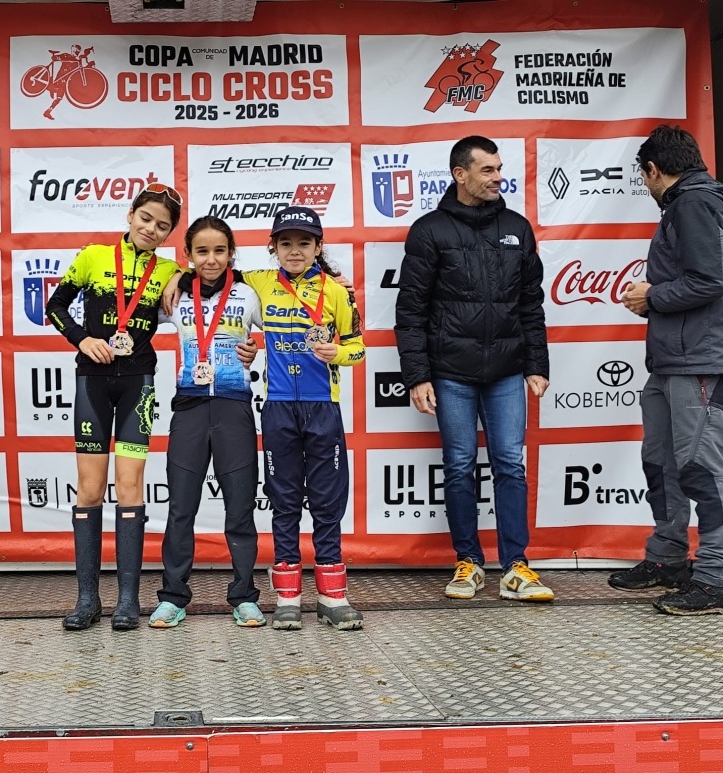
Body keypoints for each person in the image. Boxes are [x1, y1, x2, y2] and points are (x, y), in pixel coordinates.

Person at [395, 136, 553, 603]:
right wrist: (417, 376)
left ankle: (516, 567)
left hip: (506, 371)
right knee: (460, 466)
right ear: (460, 174)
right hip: (450, 373)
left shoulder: (517, 228)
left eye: (499, 168)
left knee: (510, 464)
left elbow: (531, 303)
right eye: (488, 170)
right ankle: (468, 562)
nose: (498, 177)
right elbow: (411, 311)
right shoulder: (429, 231)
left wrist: (536, 363)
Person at [46, 184, 184, 631]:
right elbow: (56, 306)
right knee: (89, 489)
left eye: (162, 226)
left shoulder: (169, 270)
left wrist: (180, 278)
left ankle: (127, 600)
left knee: (130, 486)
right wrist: (82, 339)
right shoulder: (94, 256)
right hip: (93, 381)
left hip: (137, 383)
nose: (151, 229)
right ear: (130, 214)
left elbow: (220, 279)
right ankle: (87, 599)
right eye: (145, 218)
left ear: (169, 234)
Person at [610, 124, 723, 616]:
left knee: (703, 468)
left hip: (699, 360)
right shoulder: (686, 203)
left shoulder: (695, 203)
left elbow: (711, 279)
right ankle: (668, 557)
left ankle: (716, 576)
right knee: (661, 462)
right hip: (672, 360)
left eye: (644, 176)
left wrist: (652, 295)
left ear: (653, 170)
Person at [244, 206, 365, 630]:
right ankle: (288, 597)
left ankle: (333, 597)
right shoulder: (258, 282)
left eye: (304, 243)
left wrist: (338, 353)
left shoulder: (336, 291)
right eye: (286, 243)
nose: (294, 251)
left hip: (322, 406)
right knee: (284, 500)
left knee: (328, 502)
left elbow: (358, 348)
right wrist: (176, 281)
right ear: (273, 248)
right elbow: (211, 277)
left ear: (318, 247)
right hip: (278, 406)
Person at [149, 216, 266, 629]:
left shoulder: (248, 293)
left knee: (240, 510)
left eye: (219, 250)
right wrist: (174, 278)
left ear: (231, 253)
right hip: (190, 409)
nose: (211, 259)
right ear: (188, 255)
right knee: (181, 508)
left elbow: (286, 320)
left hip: (234, 408)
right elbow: (131, 302)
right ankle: (172, 597)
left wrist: (256, 348)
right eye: (202, 251)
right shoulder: (177, 293)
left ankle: (244, 596)